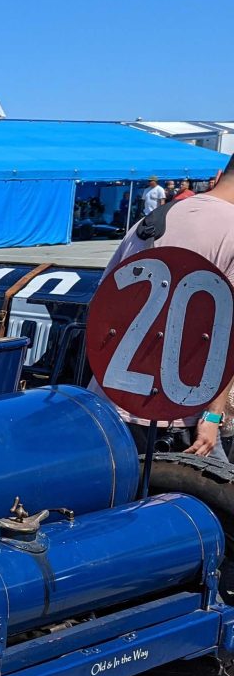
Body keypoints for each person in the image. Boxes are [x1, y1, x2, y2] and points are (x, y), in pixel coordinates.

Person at [90, 154, 234, 459]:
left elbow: (102, 303)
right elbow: (227, 335)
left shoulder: (153, 219)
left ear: (219, 174)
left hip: (110, 402)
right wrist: (212, 416)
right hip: (180, 416)